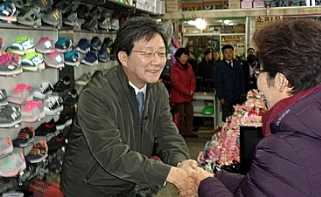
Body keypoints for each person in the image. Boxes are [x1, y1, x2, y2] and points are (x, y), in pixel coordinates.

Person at [180, 19, 321, 197]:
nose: (258, 81)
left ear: (282, 81)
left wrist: (203, 183)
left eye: (261, 71)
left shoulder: (285, 148)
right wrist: (216, 176)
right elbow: (272, 185)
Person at [60, 17, 197, 197]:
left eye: (161, 53)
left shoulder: (158, 91)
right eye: (147, 53)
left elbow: (166, 134)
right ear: (123, 58)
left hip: (130, 184)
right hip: (90, 188)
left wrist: (182, 163)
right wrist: (169, 174)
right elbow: (112, 153)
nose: (157, 61)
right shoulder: (96, 95)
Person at [214, 44, 246, 122]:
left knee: (238, 117)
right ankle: (226, 134)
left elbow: (242, 78)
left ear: (233, 53)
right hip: (226, 97)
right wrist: (220, 96)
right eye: (226, 53)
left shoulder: (238, 64)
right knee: (227, 118)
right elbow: (217, 82)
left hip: (237, 96)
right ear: (223, 54)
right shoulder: (219, 66)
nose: (229, 54)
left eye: (230, 52)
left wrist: (243, 92)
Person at [170, 47, 197, 138]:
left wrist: (192, 89)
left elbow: (193, 79)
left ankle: (189, 132)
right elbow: (176, 83)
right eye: (183, 56)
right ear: (178, 57)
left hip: (188, 96)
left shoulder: (189, 67)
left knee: (190, 114)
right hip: (179, 96)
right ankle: (181, 133)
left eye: (186, 56)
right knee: (180, 116)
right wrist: (187, 91)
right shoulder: (174, 69)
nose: (185, 58)